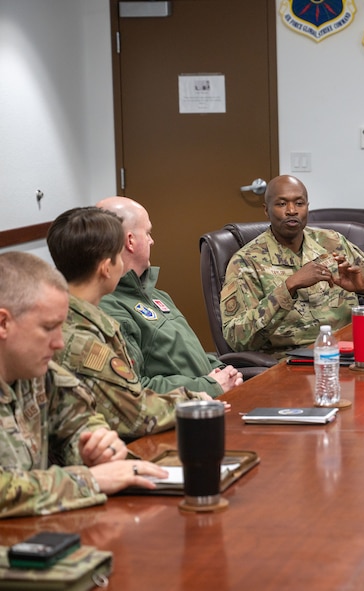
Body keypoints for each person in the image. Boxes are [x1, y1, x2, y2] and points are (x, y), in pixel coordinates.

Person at [0, 252, 168, 518]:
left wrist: (94, 449)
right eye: (48, 327)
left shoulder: (37, 374)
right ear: (4, 323)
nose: (60, 343)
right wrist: (89, 480)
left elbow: (78, 422)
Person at [47, 207, 216, 442]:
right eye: (118, 255)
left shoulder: (89, 318)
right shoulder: (82, 335)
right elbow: (131, 412)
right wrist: (198, 398)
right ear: (107, 268)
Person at [220, 174, 364, 356]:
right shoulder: (246, 262)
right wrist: (289, 287)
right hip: (290, 363)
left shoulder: (332, 243)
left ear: (307, 207)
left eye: (299, 203)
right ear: (266, 209)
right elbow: (236, 338)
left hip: (348, 352)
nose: (292, 210)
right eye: (282, 203)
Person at [96, 196, 242, 397]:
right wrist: (209, 385)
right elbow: (135, 389)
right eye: (147, 233)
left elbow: (192, 354)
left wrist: (225, 371)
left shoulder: (156, 294)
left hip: (212, 397)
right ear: (130, 240)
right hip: (181, 413)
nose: (152, 240)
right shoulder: (109, 307)